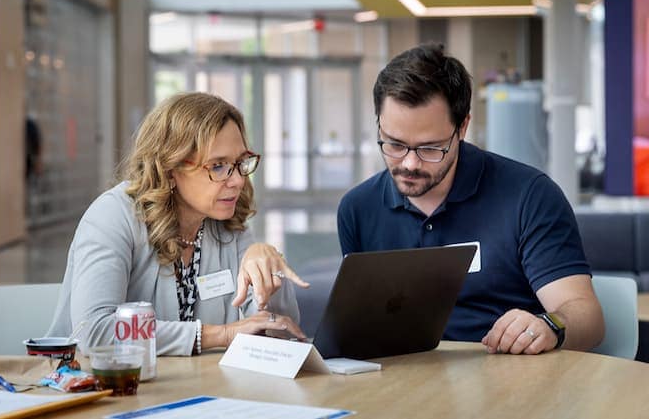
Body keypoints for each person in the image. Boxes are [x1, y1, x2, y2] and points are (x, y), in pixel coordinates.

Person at [337, 43, 604, 355]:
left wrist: (548, 325)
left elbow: (587, 315)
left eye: (429, 148)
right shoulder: (357, 209)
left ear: (462, 127)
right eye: (394, 144)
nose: (409, 163)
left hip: (510, 380)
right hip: (403, 380)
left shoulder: (529, 195)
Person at [48, 92, 309, 356]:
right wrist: (221, 335)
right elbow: (95, 331)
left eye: (240, 163)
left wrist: (269, 268)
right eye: (218, 166)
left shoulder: (228, 222)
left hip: (197, 388)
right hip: (103, 388)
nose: (238, 181)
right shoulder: (113, 215)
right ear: (170, 170)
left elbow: (275, 333)